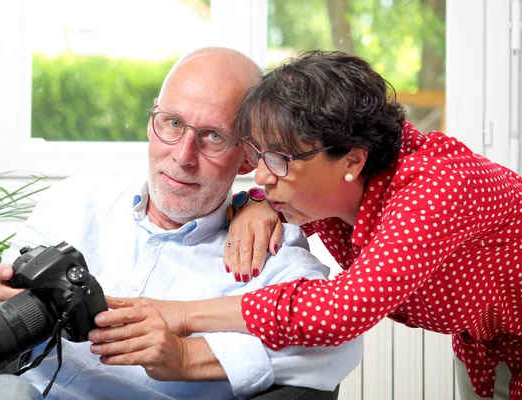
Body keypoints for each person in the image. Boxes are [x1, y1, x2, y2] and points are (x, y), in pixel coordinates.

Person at [115, 50, 522, 400]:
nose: (260, 175)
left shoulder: (437, 190)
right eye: (259, 154)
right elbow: (267, 193)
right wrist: (257, 204)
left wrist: (182, 316)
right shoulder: (332, 191)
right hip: (491, 344)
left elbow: (338, 312)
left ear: (351, 161)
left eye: (279, 160)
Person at [0, 47, 362, 400]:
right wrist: (8, 306)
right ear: (154, 116)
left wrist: (187, 356)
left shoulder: (270, 254)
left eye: (213, 137)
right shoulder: (74, 202)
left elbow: (335, 347)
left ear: (249, 157)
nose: (183, 155)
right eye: (171, 123)